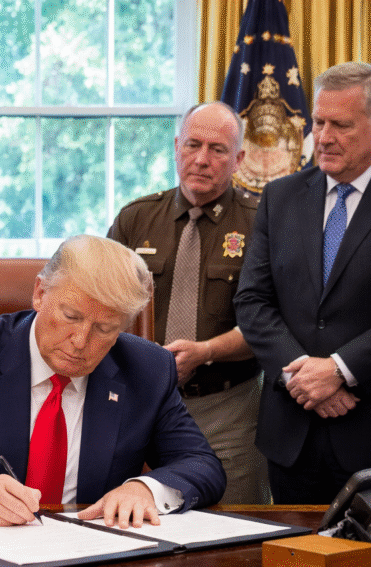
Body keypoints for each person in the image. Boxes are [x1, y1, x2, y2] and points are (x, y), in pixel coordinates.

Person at [0, 234, 226, 527]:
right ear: (39, 293)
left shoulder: (147, 369)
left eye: (104, 329)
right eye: (70, 316)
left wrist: (145, 489)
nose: (81, 342)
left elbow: (201, 465)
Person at [234, 62, 371, 504]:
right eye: (318, 122)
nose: (324, 137)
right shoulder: (280, 197)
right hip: (291, 431)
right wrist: (305, 378)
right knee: (292, 561)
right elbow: (252, 302)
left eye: (341, 125)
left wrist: (339, 370)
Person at [108, 102, 270, 504]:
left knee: (234, 525)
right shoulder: (136, 218)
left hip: (227, 406)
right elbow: (104, 302)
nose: (202, 159)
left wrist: (205, 352)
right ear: (177, 146)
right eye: (193, 145)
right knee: (136, 520)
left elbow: (274, 321)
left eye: (217, 149)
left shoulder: (262, 220)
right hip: (138, 402)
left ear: (239, 159)